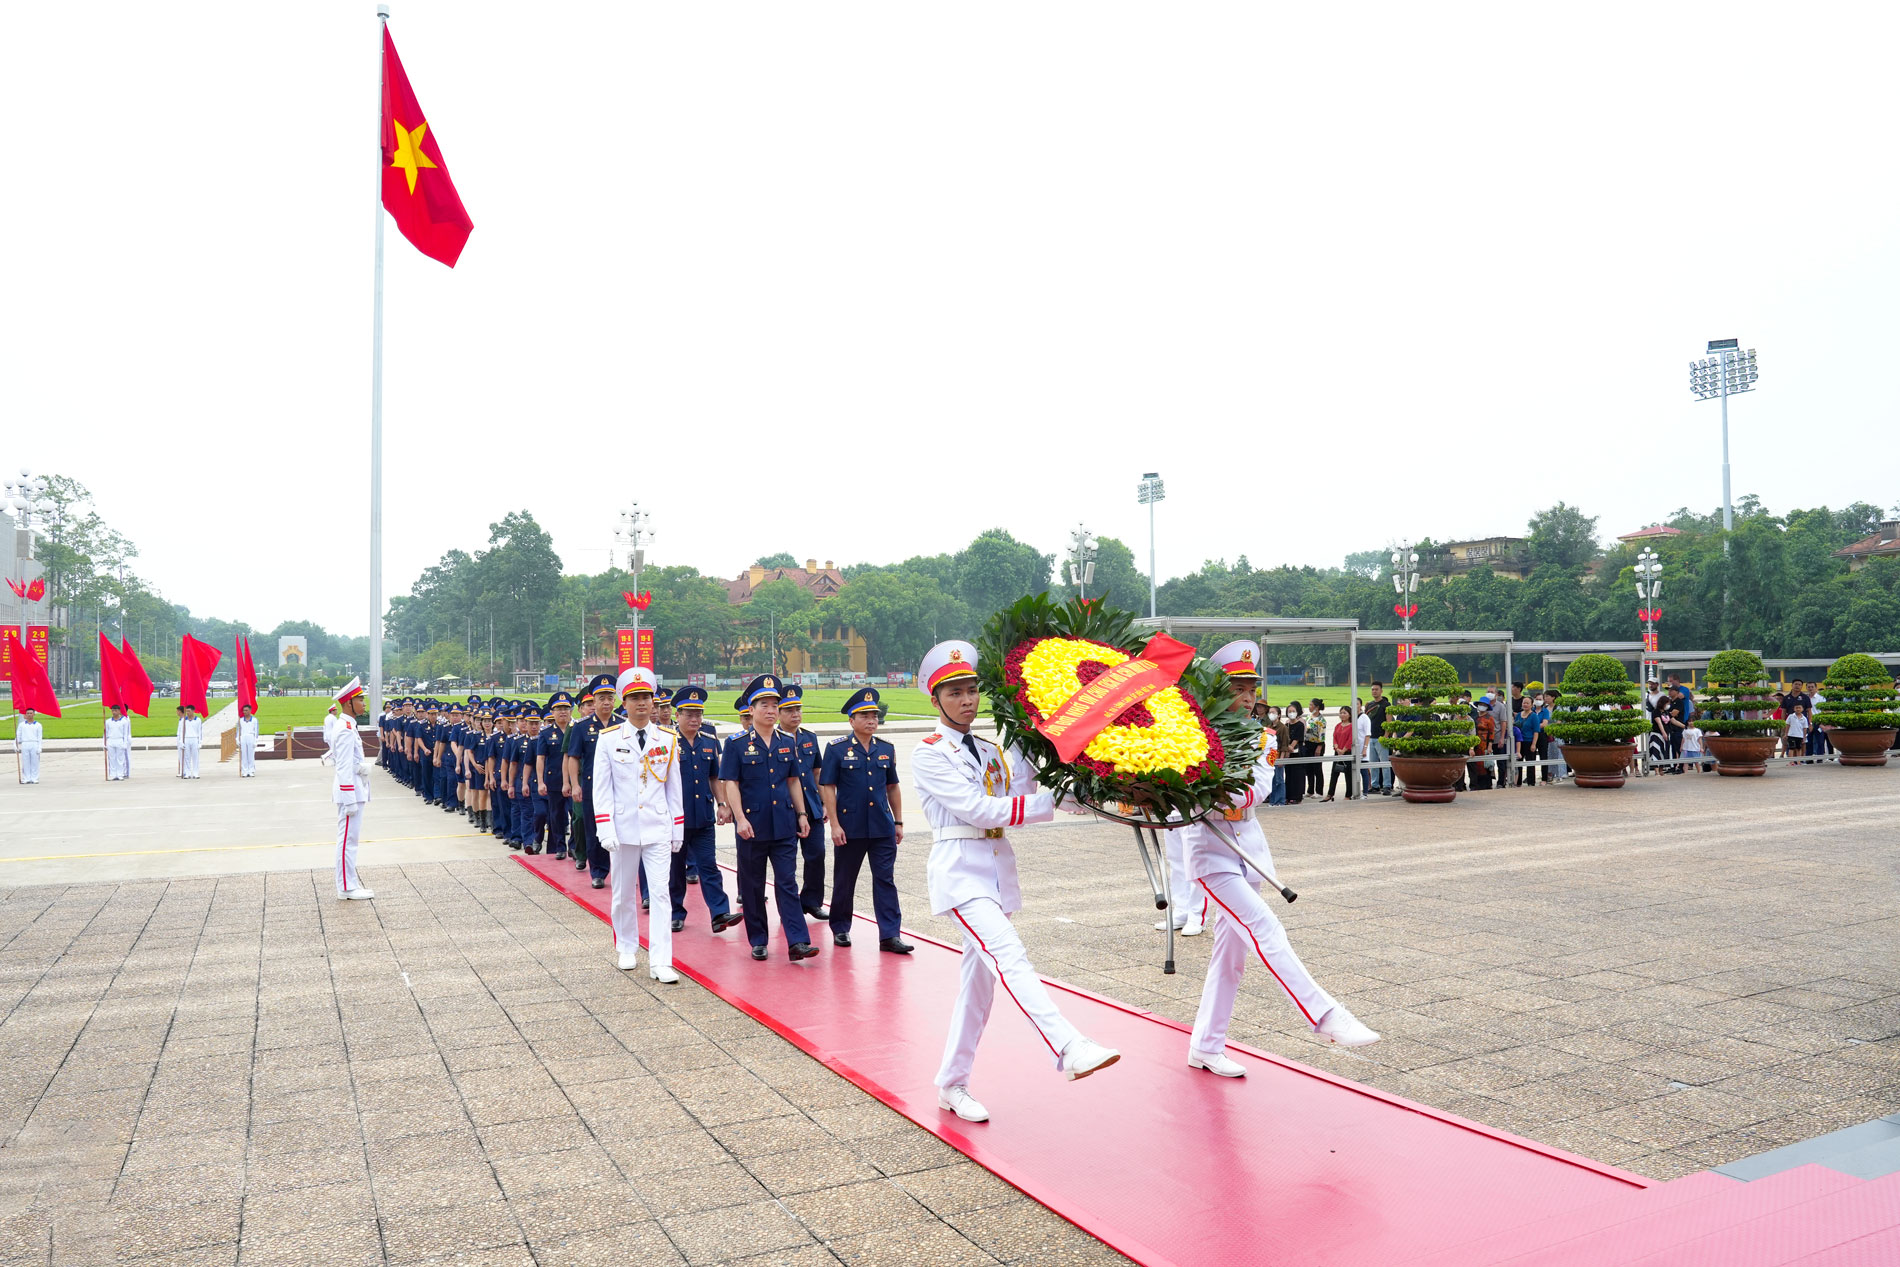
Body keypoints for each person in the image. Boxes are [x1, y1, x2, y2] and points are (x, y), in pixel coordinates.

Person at [911, 640, 1119, 1123]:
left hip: (995, 871)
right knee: (1009, 956)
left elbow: (1020, 792)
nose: (967, 700)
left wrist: (1085, 792)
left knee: (978, 989)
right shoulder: (930, 754)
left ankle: (952, 1084)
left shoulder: (988, 749)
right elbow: (978, 809)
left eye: (971, 690)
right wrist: (1048, 805)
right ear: (936, 698)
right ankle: (1067, 1045)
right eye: (955, 692)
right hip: (960, 872)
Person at [1181, 640, 1379, 1079]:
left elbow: (1261, 787)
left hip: (1249, 848)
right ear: (1215, 691)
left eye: (1251, 687)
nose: (1248, 696)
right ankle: (1324, 1016)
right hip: (1210, 851)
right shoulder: (1188, 736)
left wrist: (1218, 789)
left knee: (1230, 957)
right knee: (1264, 925)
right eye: (1237, 687)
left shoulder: (1261, 736)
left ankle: (1206, 1046)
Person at [591, 667, 683, 981]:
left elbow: (674, 787)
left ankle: (661, 960)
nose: (642, 703)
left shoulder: (667, 739)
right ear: (624, 702)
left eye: (646, 697)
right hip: (623, 828)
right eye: (635, 698)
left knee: (659, 894)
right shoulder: (609, 739)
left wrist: (677, 827)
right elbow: (601, 789)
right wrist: (605, 827)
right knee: (622, 893)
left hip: (657, 826)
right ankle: (627, 947)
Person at [720, 674, 818, 962]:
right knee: (753, 884)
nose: (771, 710)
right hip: (753, 826)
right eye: (764, 704)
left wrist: (802, 814)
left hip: (784, 823)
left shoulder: (787, 741)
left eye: (775, 704)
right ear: (751, 709)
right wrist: (739, 818)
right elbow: (731, 783)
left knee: (787, 881)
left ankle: (798, 941)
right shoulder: (737, 743)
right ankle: (759, 939)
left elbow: (793, 781)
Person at [819, 688, 911, 953]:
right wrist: (835, 824)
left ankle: (890, 935)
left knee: (885, 879)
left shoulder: (885, 748)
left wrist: (899, 821)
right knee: (845, 879)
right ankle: (840, 928)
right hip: (851, 827)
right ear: (852, 720)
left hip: (882, 826)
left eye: (875, 715)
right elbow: (828, 787)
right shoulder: (837, 749)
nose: (872, 720)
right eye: (865, 715)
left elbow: (893, 786)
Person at [666, 687, 740, 935]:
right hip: (675, 819)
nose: (695, 719)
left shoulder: (709, 742)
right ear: (678, 715)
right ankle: (675, 913)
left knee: (709, 866)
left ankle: (719, 914)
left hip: (704, 818)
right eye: (689, 714)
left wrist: (722, 804)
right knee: (675, 870)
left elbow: (714, 777)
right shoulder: (667, 742)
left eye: (698, 714)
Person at [778, 684, 831, 921]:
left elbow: (818, 773)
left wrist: (825, 803)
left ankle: (811, 901)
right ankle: (789, 907)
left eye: (798, 709)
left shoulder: (809, 737)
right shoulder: (774, 739)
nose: (795, 714)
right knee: (787, 863)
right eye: (789, 710)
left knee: (817, 854)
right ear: (778, 713)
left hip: (811, 805)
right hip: (785, 807)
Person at [566, 677, 618, 886]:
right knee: (593, 828)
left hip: (618, 786)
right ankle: (597, 871)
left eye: (610, 698)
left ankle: (621, 869)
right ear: (593, 702)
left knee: (620, 828)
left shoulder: (622, 725)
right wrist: (574, 785)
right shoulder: (581, 727)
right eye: (601, 698)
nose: (606, 702)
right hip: (592, 786)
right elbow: (573, 757)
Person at [329, 677, 374, 900]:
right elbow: (344, 767)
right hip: (350, 793)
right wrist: (348, 800)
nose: (364, 704)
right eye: (360, 699)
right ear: (349, 703)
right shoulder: (345, 729)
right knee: (347, 840)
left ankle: (349, 884)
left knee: (350, 840)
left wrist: (361, 767)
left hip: (355, 789)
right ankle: (346, 887)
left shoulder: (347, 726)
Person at [539, 691, 575, 860]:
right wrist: (540, 782)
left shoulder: (577, 729)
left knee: (577, 815)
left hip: (575, 780)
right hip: (554, 780)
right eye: (559, 708)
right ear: (552, 712)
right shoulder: (546, 733)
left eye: (566, 708)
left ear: (571, 710)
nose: (563, 712)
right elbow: (540, 759)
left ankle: (574, 845)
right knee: (556, 815)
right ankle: (560, 846)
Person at [1364, 681, 1390, 795]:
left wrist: (1385, 736)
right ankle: (1375, 785)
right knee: (1373, 764)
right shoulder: (1369, 705)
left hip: (1381, 738)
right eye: (1372, 689)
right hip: (1371, 738)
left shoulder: (1386, 705)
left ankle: (1387, 786)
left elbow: (1389, 723)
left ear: (1381, 691)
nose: (1374, 691)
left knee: (1384, 763)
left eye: (1376, 689)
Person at [1324, 705, 1355, 801]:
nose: (1342, 715)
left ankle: (1348, 795)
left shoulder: (1351, 726)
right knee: (1334, 773)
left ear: (1349, 715)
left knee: (1348, 775)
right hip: (1338, 752)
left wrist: (1344, 750)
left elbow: (1350, 739)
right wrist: (1336, 747)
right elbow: (1334, 737)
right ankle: (1330, 794)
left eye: (1344, 713)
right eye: (1341, 713)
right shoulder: (1338, 726)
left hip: (1346, 753)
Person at [1282, 701, 1305, 805]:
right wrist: (1286, 749)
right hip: (1288, 752)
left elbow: (1297, 738)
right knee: (1289, 774)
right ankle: (1288, 796)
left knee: (1297, 775)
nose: (1291, 713)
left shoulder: (1300, 724)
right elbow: (1284, 738)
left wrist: (1291, 746)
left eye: (1293, 711)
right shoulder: (1286, 724)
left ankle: (1297, 796)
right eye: (1289, 711)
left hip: (1297, 751)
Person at [15, 708, 43, 784]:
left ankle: (34, 778)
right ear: (25, 715)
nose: (29, 715)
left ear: (34, 714)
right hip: (25, 743)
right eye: (28, 713)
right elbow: (18, 735)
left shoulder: (38, 725)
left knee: (34, 762)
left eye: (31, 713)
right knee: (25, 762)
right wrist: (15, 745)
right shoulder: (22, 725)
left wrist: (39, 747)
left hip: (34, 743)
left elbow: (40, 737)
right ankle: (26, 778)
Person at [104, 705, 131, 781]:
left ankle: (120, 774)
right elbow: (105, 733)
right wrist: (105, 743)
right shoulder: (108, 721)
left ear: (119, 711)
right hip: (111, 740)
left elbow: (125, 733)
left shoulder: (124, 721)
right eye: (112, 710)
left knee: (120, 759)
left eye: (115, 710)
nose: (114, 712)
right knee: (112, 759)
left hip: (119, 740)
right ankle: (113, 774)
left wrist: (125, 743)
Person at [177, 705, 203, 779]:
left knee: (195, 757)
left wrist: (200, 742)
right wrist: (181, 741)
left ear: (193, 711)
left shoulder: (198, 720)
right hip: (186, 739)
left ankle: (195, 773)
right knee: (186, 757)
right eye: (186, 711)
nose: (187, 713)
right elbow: (181, 731)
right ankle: (187, 773)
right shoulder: (183, 720)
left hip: (195, 739)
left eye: (189, 711)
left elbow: (200, 732)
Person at [236, 704, 259, 778]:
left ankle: (251, 770)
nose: (244, 712)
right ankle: (244, 771)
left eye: (246, 710)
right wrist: (237, 739)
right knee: (244, 755)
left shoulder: (254, 720)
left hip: (251, 736)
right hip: (243, 737)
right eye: (243, 710)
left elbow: (256, 731)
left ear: (250, 711)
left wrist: (256, 741)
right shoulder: (240, 720)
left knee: (251, 755)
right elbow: (238, 731)